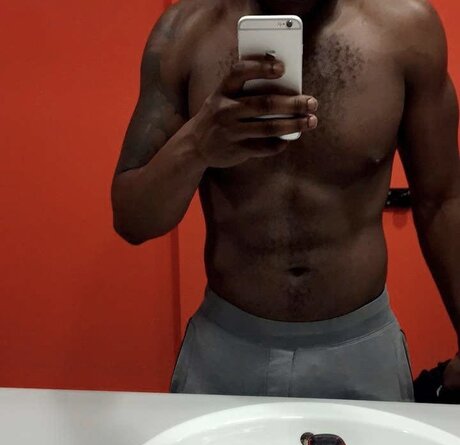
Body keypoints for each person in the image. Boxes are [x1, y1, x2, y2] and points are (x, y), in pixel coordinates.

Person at [111, 0, 460, 400]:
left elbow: (443, 200)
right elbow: (132, 220)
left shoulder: (408, 30)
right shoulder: (185, 34)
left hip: (361, 348)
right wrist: (198, 145)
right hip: (227, 348)